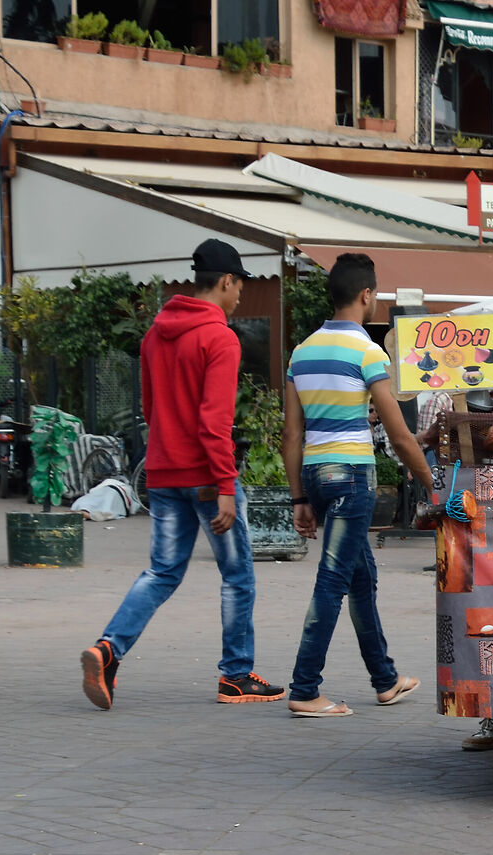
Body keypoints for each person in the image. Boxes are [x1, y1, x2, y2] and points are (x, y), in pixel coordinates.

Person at [81, 240, 274, 711]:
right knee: (238, 576)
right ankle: (236, 676)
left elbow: (149, 408)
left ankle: (109, 649)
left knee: (163, 572)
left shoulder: (154, 336)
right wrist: (226, 486)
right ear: (227, 281)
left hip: (164, 473)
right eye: (240, 285)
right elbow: (214, 421)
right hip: (207, 477)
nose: (240, 295)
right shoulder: (220, 337)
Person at [280, 252, 435, 717]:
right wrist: (431, 481)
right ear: (367, 295)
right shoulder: (369, 352)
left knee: (361, 578)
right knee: (332, 581)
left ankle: (385, 680)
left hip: (317, 474)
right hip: (351, 477)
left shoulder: (302, 352)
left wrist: (300, 497)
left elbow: (291, 434)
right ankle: (305, 689)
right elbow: (399, 432)